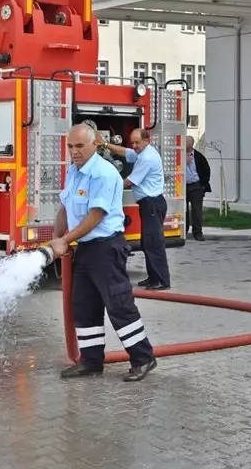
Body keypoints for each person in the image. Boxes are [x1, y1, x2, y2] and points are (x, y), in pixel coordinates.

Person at [51, 123, 157, 382]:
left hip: (106, 247)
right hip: (86, 247)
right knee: (84, 306)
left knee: (119, 305)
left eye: (79, 146)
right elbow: (65, 208)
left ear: (95, 145)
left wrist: (65, 240)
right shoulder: (74, 172)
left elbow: (95, 215)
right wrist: (56, 238)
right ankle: (91, 360)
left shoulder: (102, 173)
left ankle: (143, 358)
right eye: (70, 147)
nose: (74, 152)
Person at [98, 128, 171, 290]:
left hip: (152, 203)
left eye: (137, 142)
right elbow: (125, 152)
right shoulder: (142, 152)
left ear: (147, 140)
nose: (134, 145)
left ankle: (162, 280)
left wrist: (106, 187)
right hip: (149, 204)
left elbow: (130, 181)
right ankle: (153, 277)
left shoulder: (147, 157)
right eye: (133, 142)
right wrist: (104, 144)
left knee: (154, 243)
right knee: (147, 242)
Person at [184, 136, 210, 242]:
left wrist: (202, 184)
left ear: (192, 144)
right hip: (182, 186)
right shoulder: (179, 155)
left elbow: (206, 170)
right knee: (183, 211)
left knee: (197, 211)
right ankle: (183, 232)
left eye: (187, 142)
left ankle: (198, 233)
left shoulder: (199, 156)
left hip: (196, 186)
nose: (185, 143)